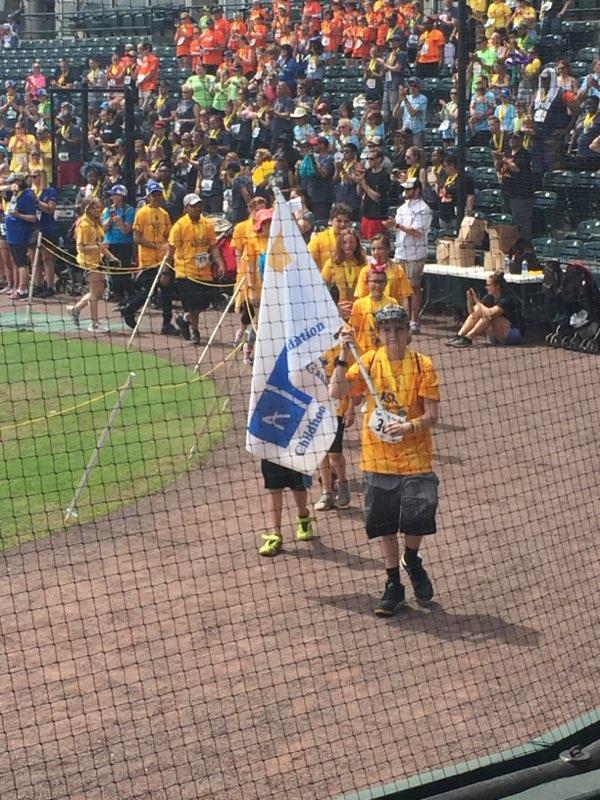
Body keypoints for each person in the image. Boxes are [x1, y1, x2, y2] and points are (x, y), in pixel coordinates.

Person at [330, 304, 440, 615]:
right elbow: (336, 390)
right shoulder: (368, 362)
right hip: (378, 458)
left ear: (408, 333)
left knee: (419, 516)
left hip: (416, 456)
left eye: (399, 329)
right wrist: (343, 352)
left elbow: (432, 415)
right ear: (378, 334)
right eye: (387, 330)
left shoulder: (422, 365)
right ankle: (393, 583)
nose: (393, 335)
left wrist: (408, 427)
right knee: (385, 524)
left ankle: (412, 559)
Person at [168, 193, 225, 346]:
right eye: (193, 206)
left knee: (204, 303)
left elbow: (213, 247)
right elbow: (171, 251)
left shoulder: (207, 224)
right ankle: (196, 332)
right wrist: (166, 272)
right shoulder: (179, 226)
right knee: (193, 305)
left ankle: (184, 319)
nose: (197, 208)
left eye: (199, 205)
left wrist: (220, 264)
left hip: (204, 272)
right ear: (186, 208)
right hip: (185, 272)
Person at [121, 181, 174, 334]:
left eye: (158, 194)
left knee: (167, 290)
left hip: (163, 259)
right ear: (148, 196)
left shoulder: (164, 214)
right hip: (148, 259)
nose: (156, 197)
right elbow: (137, 238)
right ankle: (130, 310)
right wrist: (156, 246)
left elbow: (168, 235)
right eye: (153, 195)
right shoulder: (142, 213)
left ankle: (166, 323)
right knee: (149, 290)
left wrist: (168, 248)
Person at [67, 196, 120, 334]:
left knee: (98, 293)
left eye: (98, 207)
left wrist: (111, 256)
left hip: (98, 260)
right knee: (95, 294)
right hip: (88, 262)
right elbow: (80, 247)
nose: (98, 210)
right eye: (95, 207)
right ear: (87, 209)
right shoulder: (83, 225)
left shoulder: (96, 222)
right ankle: (94, 323)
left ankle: (76, 309)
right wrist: (98, 247)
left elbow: (100, 244)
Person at [387, 178, 432, 334]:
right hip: (401, 252)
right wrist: (391, 226)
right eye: (405, 189)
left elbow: (418, 233)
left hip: (415, 253)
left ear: (417, 190)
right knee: (400, 287)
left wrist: (397, 225)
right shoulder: (401, 208)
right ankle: (402, 319)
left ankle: (414, 321)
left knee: (414, 287)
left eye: (409, 189)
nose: (406, 192)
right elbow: (397, 229)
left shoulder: (424, 209)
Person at [446, 270, 523, 347]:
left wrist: (477, 301)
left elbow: (490, 314)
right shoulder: (490, 297)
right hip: (497, 335)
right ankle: (459, 336)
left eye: (488, 285)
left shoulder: (506, 299)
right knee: (480, 310)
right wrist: (470, 301)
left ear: (497, 286)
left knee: (488, 316)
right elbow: (472, 312)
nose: (486, 287)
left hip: (513, 334)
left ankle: (467, 338)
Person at [354, 233, 412, 312]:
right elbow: (360, 297)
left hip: (392, 311)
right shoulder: (365, 271)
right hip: (370, 311)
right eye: (373, 249)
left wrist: (406, 316)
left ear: (388, 250)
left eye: (380, 249)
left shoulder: (398, 270)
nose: (376, 252)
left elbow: (405, 298)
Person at [349, 266, 399, 354]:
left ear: (386, 283)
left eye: (381, 282)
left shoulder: (393, 302)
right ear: (367, 283)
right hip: (364, 352)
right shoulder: (359, 304)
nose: (378, 285)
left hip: (385, 352)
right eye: (374, 281)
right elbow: (355, 330)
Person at [101, 184, 135, 308]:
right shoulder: (107, 210)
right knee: (114, 273)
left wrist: (119, 221)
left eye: (115, 195)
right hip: (111, 244)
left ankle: (130, 298)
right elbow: (103, 228)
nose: (112, 197)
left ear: (121, 196)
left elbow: (126, 230)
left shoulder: (129, 210)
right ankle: (119, 298)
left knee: (125, 273)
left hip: (124, 245)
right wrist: (110, 219)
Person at [4, 172, 37, 300]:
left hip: (20, 234)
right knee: (17, 262)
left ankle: (23, 289)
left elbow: (33, 218)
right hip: (12, 233)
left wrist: (19, 215)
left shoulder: (27, 196)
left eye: (14, 182)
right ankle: (18, 287)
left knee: (21, 262)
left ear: (20, 182)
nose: (12, 184)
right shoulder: (15, 195)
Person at [496, 131, 533, 240]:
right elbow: (499, 169)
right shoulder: (508, 153)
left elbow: (516, 168)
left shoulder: (524, 154)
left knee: (520, 222)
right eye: (510, 138)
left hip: (520, 194)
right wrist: (497, 159)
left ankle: (524, 245)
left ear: (521, 140)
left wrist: (504, 159)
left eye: (515, 138)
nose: (512, 140)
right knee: (506, 221)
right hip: (507, 192)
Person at [307, 202, 352, 272]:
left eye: (346, 221)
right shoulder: (318, 239)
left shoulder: (354, 240)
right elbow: (307, 262)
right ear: (330, 221)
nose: (343, 224)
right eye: (339, 221)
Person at [357, 147, 390, 240]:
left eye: (371, 159)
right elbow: (359, 193)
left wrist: (364, 184)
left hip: (377, 215)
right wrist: (359, 182)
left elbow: (377, 197)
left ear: (379, 159)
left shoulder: (384, 175)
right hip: (366, 213)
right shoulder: (367, 172)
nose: (369, 161)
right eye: (368, 159)